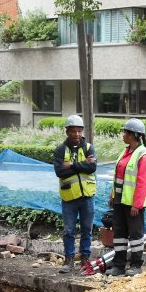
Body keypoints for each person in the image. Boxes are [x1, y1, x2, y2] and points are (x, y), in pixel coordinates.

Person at [108, 117, 146, 276]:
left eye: (125, 132)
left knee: (135, 235)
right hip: (120, 202)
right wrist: (113, 195)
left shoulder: (143, 155)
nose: (123, 134)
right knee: (119, 234)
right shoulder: (126, 151)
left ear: (134, 135)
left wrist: (137, 205)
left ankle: (136, 265)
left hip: (133, 205)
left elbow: (143, 182)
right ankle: (118, 265)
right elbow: (119, 177)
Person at [52, 114, 98, 271]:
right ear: (67, 131)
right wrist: (82, 164)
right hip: (69, 198)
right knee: (69, 230)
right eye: (73, 131)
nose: (77, 134)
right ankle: (69, 260)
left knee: (87, 229)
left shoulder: (88, 148)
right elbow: (60, 172)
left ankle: (85, 258)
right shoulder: (60, 150)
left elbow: (92, 167)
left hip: (87, 197)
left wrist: (71, 164)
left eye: (79, 131)